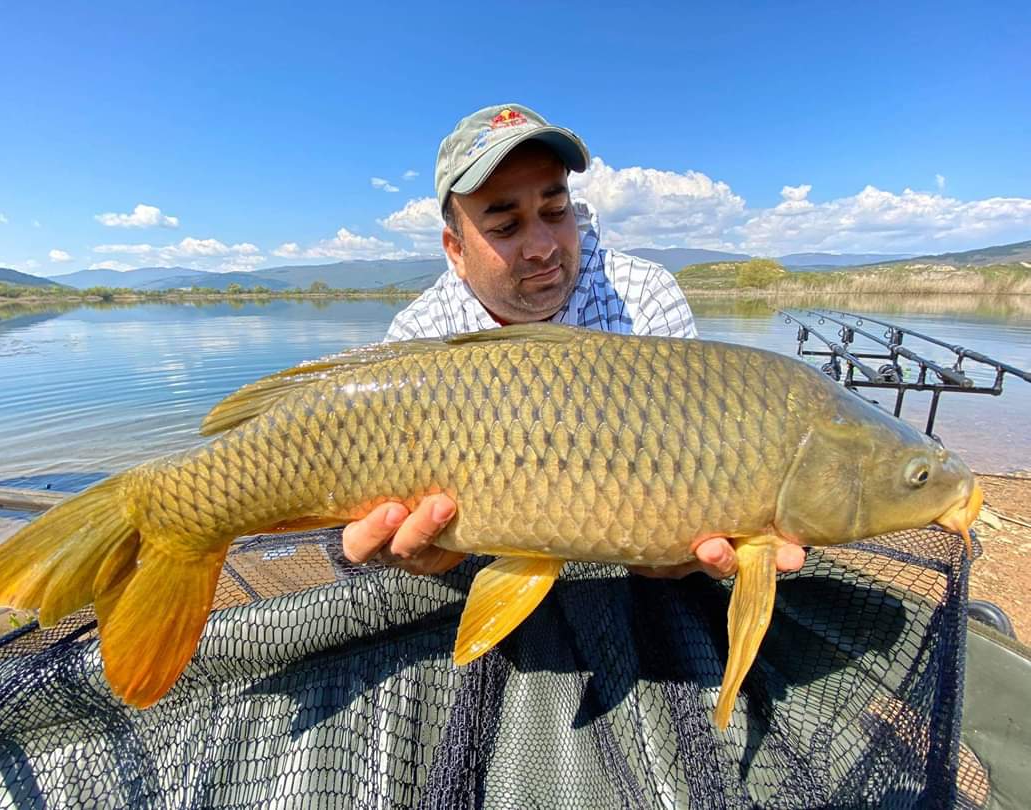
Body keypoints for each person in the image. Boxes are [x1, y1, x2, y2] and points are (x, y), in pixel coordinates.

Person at [342, 103, 806, 580]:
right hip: (469, 560)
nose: (542, 245)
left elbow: (690, 472)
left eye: (555, 210)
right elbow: (382, 530)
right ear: (456, 250)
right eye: (505, 226)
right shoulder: (418, 335)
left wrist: (667, 551)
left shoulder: (643, 295)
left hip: (623, 569)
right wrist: (413, 554)